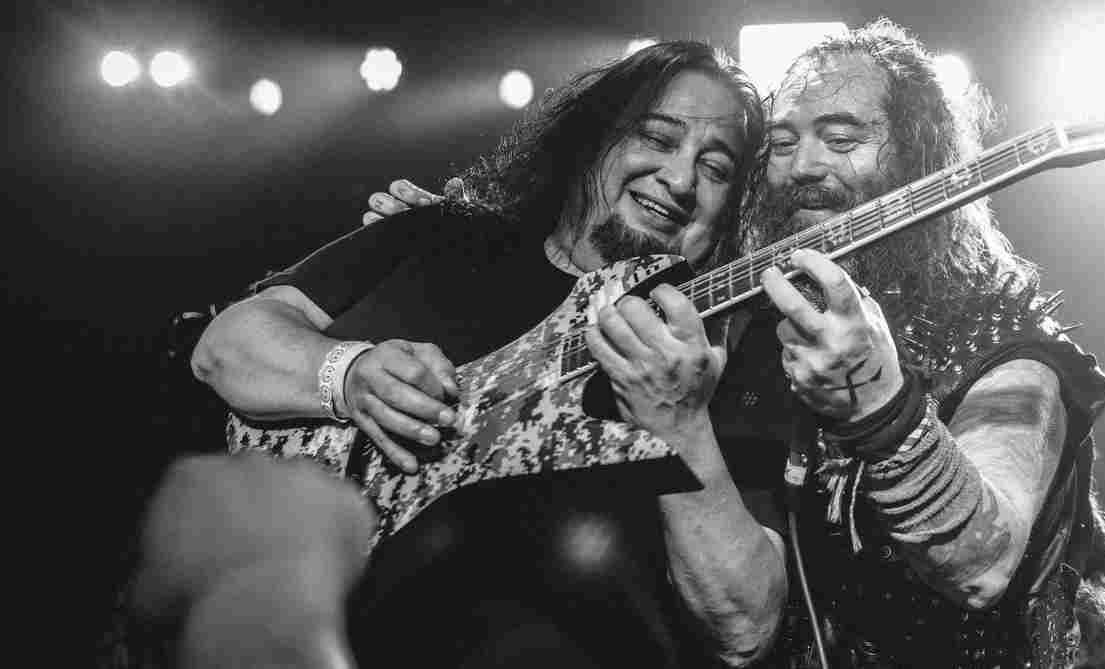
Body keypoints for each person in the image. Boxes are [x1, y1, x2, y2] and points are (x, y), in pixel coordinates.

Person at [366, 19, 1105, 669]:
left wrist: (881, 405)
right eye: (784, 144)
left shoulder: (1006, 343)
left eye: (843, 139)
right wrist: (447, 244)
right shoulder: (746, 326)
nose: (802, 168)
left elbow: (982, 564)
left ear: (922, 163)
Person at [130, 41, 782, 669]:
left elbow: (746, 630)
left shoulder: (721, 355)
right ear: (594, 137)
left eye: (716, 169)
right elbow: (226, 346)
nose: (680, 179)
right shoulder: (438, 234)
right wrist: (347, 374)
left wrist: (681, 425)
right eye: (659, 138)